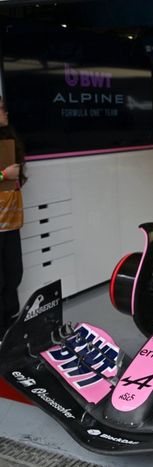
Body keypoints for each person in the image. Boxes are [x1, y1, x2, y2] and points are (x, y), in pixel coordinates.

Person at [0, 97, 26, 340]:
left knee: (14, 274)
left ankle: (10, 326)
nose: (6, 113)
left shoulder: (8, 138)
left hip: (11, 222)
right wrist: (3, 175)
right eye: (1, 109)